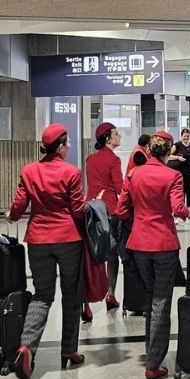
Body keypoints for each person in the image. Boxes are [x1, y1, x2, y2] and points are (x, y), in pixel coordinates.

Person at [116, 131, 190, 379]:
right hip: (163, 243)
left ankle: (151, 351)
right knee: (161, 301)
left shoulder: (133, 174)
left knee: (150, 298)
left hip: (139, 244)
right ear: (168, 152)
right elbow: (177, 208)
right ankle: (153, 363)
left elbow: (121, 209)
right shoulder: (172, 176)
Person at [7, 123, 87, 379]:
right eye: (68, 143)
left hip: (39, 240)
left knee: (42, 295)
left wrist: (11, 215)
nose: (70, 147)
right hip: (68, 240)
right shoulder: (71, 172)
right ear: (61, 147)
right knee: (71, 294)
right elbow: (77, 210)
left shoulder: (29, 171)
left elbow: (18, 205)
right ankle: (69, 349)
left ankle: (26, 347)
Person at [84, 122, 124, 313]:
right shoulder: (114, 160)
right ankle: (111, 294)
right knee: (112, 255)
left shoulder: (90, 159)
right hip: (109, 212)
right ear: (108, 138)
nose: (119, 136)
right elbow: (119, 188)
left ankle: (86, 305)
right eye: (116, 133)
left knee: (89, 256)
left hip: (91, 209)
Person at [168, 128, 190, 209]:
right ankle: (179, 214)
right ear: (181, 136)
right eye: (184, 136)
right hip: (180, 174)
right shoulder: (177, 145)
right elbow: (168, 156)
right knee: (181, 194)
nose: (186, 138)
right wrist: (177, 157)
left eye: (187, 136)